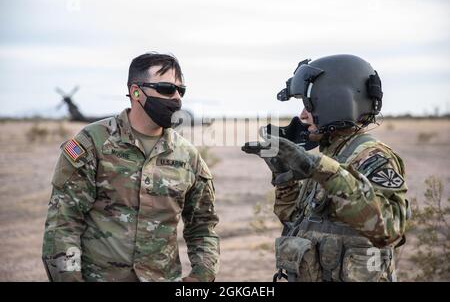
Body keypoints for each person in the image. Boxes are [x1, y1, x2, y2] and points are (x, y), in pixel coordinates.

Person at [42, 52, 220, 282]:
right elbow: (63, 223)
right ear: (136, 92)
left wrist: (201, 277)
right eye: (166, 88)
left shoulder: (188, 156)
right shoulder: (93, 143)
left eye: (180, 90)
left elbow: (203, 227)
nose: (176, 97)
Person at [243, 54, 409, 282]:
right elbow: (296, 221)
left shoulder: (372, 157)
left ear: (336, 102)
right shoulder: (330, 156)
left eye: (309, 105)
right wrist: (284, 177)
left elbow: (390, 230)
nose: (302, 115)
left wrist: (323, 170)